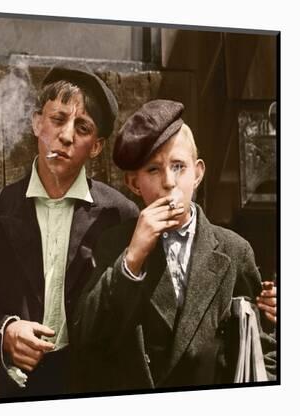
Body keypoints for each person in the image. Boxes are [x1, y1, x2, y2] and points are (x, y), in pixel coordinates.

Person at [71, 100, 276, 392]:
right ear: (134, 184)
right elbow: (86, 335)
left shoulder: (234, 250)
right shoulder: (115, 244)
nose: (169, 182)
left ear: (198, 173)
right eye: (153, 170)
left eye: (179, 167)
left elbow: (264, 342)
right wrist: (132, 259)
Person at [0, 66, 139, 398]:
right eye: (58, 119)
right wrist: (5, 331)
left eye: (82, 127)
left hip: (91, 385)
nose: (67, 135)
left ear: (97, 146)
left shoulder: (121, 217)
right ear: (36, 123)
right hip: (13, 389)